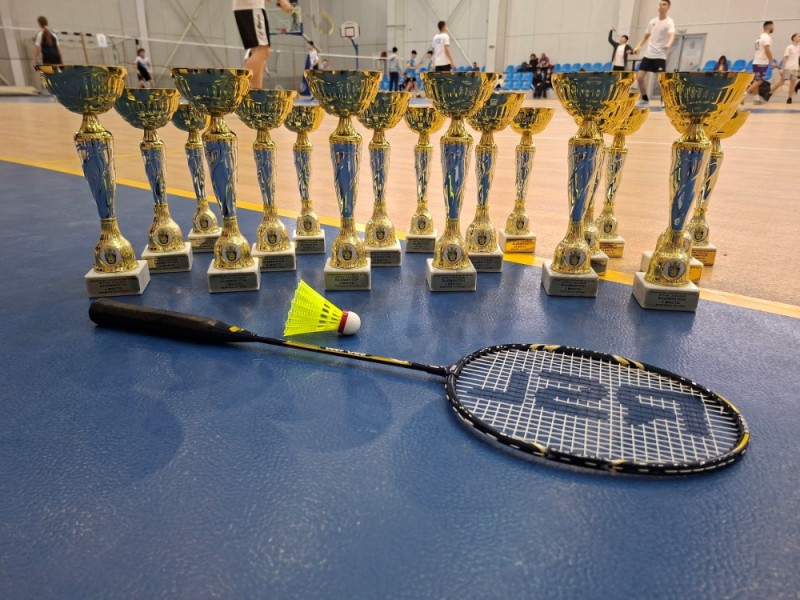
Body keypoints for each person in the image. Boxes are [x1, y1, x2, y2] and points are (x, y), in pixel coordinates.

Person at [232, 0, 292, 90]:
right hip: (251, 6)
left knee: (258, 55)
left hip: (245, 7)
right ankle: (237, 88)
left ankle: (255, 94)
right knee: (263, 51)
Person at [633, 0, 675, 107]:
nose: (661, 6)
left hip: (660, 56)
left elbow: (672, 35)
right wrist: (638, 45)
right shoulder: (652, 22)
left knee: (661, 81)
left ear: (668, 7)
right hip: (648, 55)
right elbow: (646, 36)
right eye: (660, 4)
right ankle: (644, 99)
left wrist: (668, 44)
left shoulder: (669, 22)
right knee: (639, 78)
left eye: (664, 4)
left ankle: (663, 100)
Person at [745, 21, 779, 104]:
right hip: (761, 62)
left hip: (756, 61)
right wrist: (771, 62)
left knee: (756, 81)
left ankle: (756, 99)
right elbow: (767, 50)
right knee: (759, 81)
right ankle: (743, 95)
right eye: (773, 26)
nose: (774, 28)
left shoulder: (759, 37)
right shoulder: (766, 37)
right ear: (769, 27)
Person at [770, 33, 800, 104]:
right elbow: (785, 58)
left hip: (795, 68)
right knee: (781, 82)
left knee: (792, 84)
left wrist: (799, 67)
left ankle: (789, 98)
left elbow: (798, 58)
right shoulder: (789, 47)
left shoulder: (799, 47)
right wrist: (782, 69)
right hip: (787, 68)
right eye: (798, 36)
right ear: (794, 38)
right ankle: (770, 92)